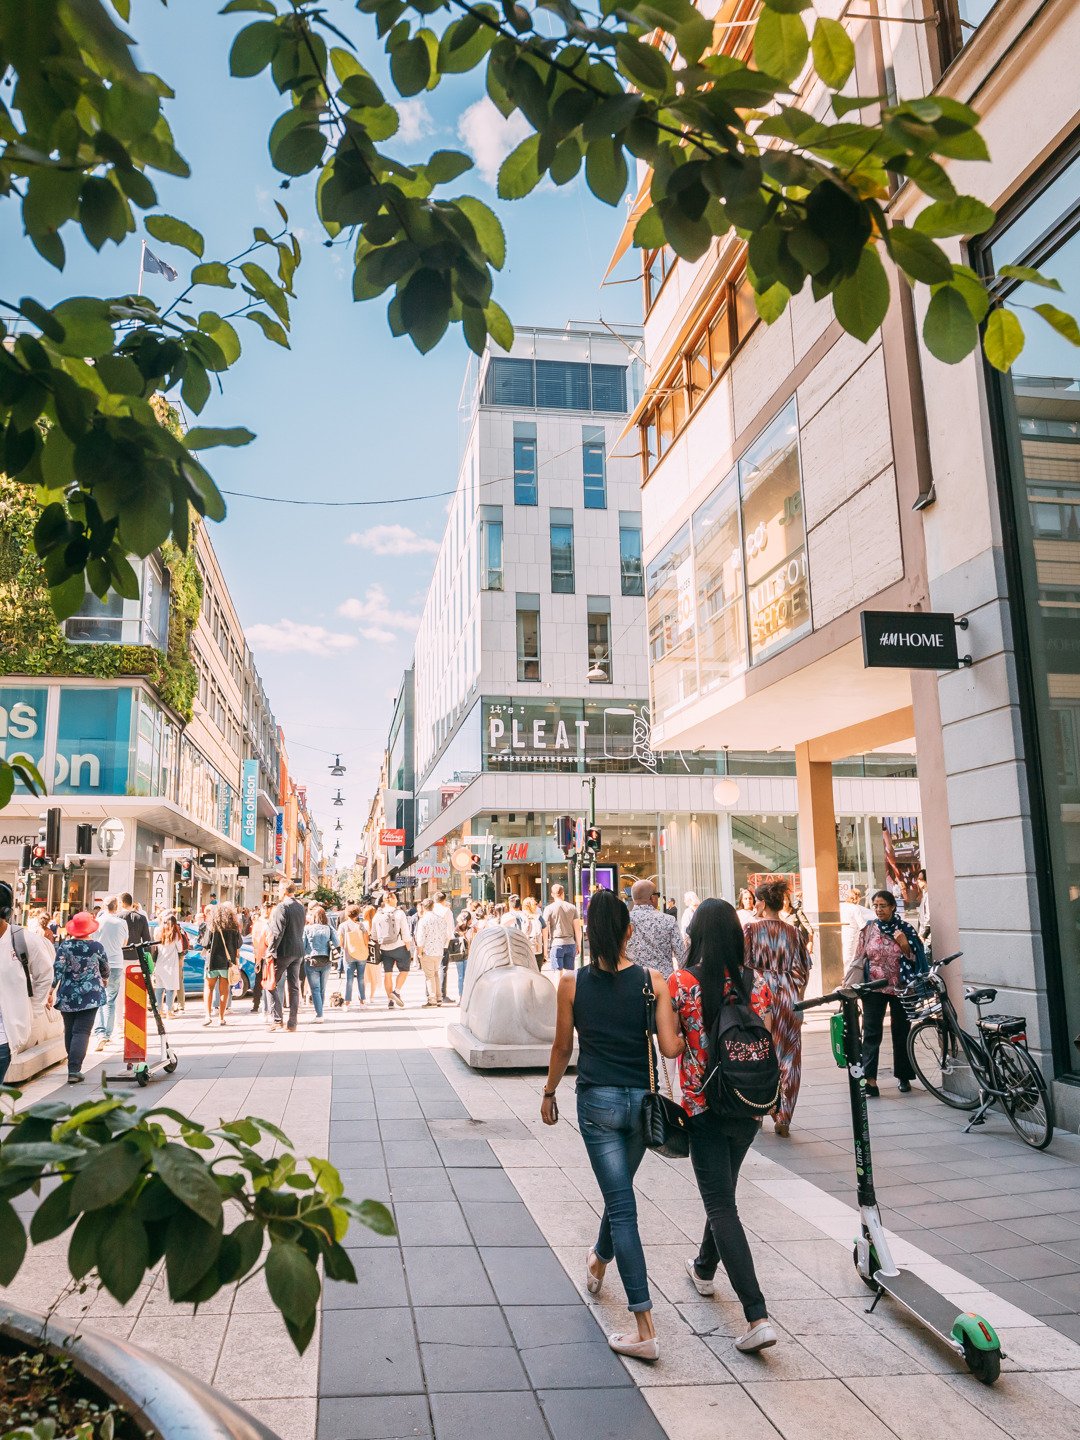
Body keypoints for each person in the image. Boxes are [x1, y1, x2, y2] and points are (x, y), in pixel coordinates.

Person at [541, 890, 684, 1362]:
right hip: (641, 1106)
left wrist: (549, 1092)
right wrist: (684, 1028)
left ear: (588, 932)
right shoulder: (651, 981)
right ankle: (599, 1260)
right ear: (628, 930)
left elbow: (563, 1048)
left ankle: (645, 1327)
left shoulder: (571, 983)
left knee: (620, 1204)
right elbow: (670, 1048)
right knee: (619, 1195)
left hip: (597, 1104)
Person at [670, 899, 778, 1353]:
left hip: (704, 1108)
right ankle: (703, 1269)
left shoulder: (683, 983)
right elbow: (765, 1041)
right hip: (748, 1104)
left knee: (720, 1205)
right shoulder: (760, 984)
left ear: (695, 934)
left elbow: (671, 1047)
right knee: (724, 1195)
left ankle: (757, 1316)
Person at [744, 880, 811, 1137]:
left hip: (760, 997)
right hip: (788, 997)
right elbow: (803, 969)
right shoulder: (793, 932)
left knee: (760, 1053)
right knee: (790, 1056)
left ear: (761, 903)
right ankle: (784, 1117)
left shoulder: (750, 930)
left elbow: (744, 964)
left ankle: (758, 1111)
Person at [845, 889, 925, 1097]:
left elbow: (917, 959)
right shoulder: (869, 929)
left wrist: (904, 944)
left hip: (901, 988)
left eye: (883, 906)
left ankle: (904, 1077)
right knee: (871, 1033)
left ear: (892, 907)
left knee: (902, 1032)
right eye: (876, 906)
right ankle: (870, 1080)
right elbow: (859, 956)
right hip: (874, 988)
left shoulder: (905, 928)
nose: (879, 910)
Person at [0, 881, 54, 1088]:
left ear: (4, 913)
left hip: (3, 1037)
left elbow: (45, 975)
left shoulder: (24, 941)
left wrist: (33, 1010)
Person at [48, 912, 109, 1084]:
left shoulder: (65, 946)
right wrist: (104, 979)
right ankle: (74, 1069)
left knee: (70, 1030)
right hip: (91, 996)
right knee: (82, 1032)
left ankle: (72, 1065)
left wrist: (50, 991)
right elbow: (105, 968)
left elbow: (57, 969)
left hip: (67, 995)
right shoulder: (97, 947)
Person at [626, 879, 686, 979]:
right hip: (663, 980)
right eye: (658, 895)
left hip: (633, 979)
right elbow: (681, 955)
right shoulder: (668, 920)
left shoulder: (624, 920)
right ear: (652, 898)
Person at [268, 883, 307, 1032]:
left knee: (270, 983)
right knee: (294, 987)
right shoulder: (300, 906)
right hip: (298, 950)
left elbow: (277, 932)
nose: (277, 892)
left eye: (278, 889)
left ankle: (277, 1020)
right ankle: (292, 1023)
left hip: (284, 951)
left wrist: (271, 950)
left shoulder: (282, 907)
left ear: (284, 890)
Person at [93, 897, 129, 1051]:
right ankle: (107, 1034)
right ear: (117, 906)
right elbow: (124, 943)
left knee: (98, 998)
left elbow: (93, 941)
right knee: (111, 999)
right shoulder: (122, 922)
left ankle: (100, 1033)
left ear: (104, 906)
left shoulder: (98, 922)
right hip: (116, 963)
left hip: (99, 963)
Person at [373, 894, 414, 1008]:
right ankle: (396, 991)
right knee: (404, 970)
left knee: (388, 974)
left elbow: (374, 934)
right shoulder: (399, 913)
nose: (397, 900)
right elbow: (405, 931)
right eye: (395, 898)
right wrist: (408, 947)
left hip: (384, 948)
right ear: (392, 900)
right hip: (400, 946)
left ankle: (390, 1001)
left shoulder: (377, 914)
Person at [204, 903, 241, 1027]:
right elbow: (239, 944)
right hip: (227, 963)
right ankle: (221, 1018)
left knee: (209, 988)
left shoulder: (212, 926)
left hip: (212, 961)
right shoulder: (234, 927)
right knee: (224, 990)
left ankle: (208, 1015)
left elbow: (205, 943)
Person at [303, 905, 339, 1022]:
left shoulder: (307, 928)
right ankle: (320, 1013)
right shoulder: (329, 928)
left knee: (315, 989)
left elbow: (303, 946)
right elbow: (337, 943)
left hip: (311, 961)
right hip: (326, 961)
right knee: (322, 989)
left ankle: (319, 1015)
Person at [415, 898, 446, 1007]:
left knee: (429, 976)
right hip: (439, 951)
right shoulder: (440, 919)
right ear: (433, 906)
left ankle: (432, 999)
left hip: (427, 951)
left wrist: (419, 952)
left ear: (423, 907)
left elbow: (420, 939)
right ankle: (439, 997)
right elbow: (445, 935)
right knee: (436, 973)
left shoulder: (423, 920)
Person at [338, 904, 370, 1008]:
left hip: (348, 955)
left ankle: (347, 1003)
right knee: (361, 978)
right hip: (361, 954)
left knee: (349, 979)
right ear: (357, 914)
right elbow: (366, 940)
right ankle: (362, 1002)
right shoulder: (361, 925)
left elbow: (340, 942)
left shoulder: (343, 926)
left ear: (347, 914)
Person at [544, 884, 581, 971]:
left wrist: (545, 950)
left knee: (558, 973)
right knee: (570, 973)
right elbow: (577, 929)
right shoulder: (572, 907)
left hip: (556, 944)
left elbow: (545, 930)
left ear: (552, 894)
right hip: (570, 943)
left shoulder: (548, 909)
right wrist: (579, 945)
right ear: (563, 893)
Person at [154, 913, 184, 1018]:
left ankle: (159, 1011)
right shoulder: (175, 935)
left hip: (159, 964)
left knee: (159, 989)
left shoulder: (159, 933)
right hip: (170, 965)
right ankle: (169, 1012)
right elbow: (180, 949)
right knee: (170, 989)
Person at [840, 887, 873, 974]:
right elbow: (862, 924)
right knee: (850, 957)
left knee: (843, 956)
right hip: (851, 935)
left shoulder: (840, 906)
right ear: (857, 898)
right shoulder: (855, 908)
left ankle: (843, 975)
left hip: (841, 933)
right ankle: (848, 976)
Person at [432, 890, 455, 1001]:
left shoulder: (430, 909)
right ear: (444, 900)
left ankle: (431, 994)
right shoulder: (446, 911)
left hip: (430, 943)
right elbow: (450, 928)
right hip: (443, 943)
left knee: (431, 969)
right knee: (443, 968)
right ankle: (442, 994)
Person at [250, 902, 272, 1016]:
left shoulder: (258, 923)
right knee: (270, 978)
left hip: (260, 954)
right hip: (269, 954)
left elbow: (254, 940)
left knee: (258, 980)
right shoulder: (271, 921)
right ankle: (266, 1004)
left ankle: (256, 1004)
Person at [362, 904, 383, 1003]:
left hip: (364, 953)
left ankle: (363, 996)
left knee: (364, 976)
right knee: (374, 976)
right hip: (375, 953)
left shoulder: (362, 924)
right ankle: (372, 997)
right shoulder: (377, 924)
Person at [522, 895, 546, 970]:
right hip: (538, 949)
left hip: (524, 950)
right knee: (537, 973)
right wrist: (545, 953)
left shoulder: (521, 917)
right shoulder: (539, 918)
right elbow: (545, 937)